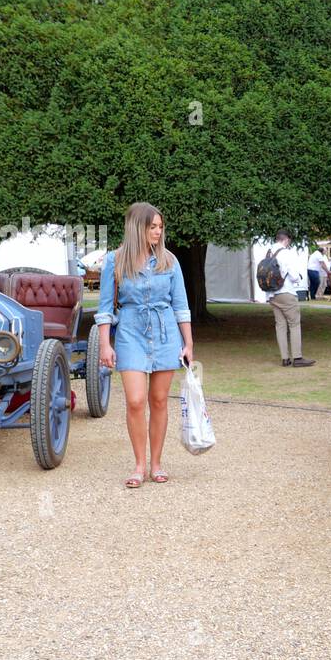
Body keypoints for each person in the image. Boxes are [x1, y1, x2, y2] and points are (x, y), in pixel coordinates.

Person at [96, 202, 194, 488]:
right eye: (152, 226)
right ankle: (139, 464)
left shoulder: (169, 261)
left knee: (160, 400)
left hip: (165, 335)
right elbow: (104, 308)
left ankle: (156, 463)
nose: (158, 231)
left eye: (160, 226)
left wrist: (188, 344)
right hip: (130, 333)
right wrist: (105, 344)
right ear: (137, 227)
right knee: (136, 400)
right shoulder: (115, 261)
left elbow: (181, 306)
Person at [265, 229, 315, 368]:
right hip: (285, 291)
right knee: (294, 324)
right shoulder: (285, 253)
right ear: (286, 239)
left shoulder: (269, 252)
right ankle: (297, 357)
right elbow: (293, 275)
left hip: (271, 293)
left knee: (280, 325)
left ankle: (285, 358)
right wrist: (298, 277)